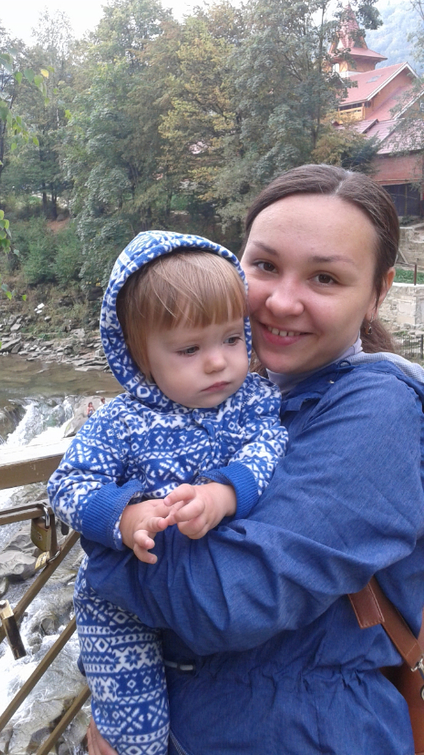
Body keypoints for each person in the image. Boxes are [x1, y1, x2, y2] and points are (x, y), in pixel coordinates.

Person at [81, 164, 424, 755]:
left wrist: (102, 549)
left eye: (324, 277)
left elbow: (226, 600)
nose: (281, 301)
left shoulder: (379, 410)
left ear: (378, 292)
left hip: (305, 732)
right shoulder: (243, 396)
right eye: (264, 266)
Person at [47, 231, 287, 755]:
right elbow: (66, 484)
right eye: (189, 349)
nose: (218, 362)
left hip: (205, 597)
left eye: (231, 338)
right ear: (141, 357)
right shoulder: (119, 421)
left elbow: (269, 447)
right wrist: (124, 517)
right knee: (137, 737)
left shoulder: (253, 401)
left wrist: (224, 494)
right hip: (119, 607)